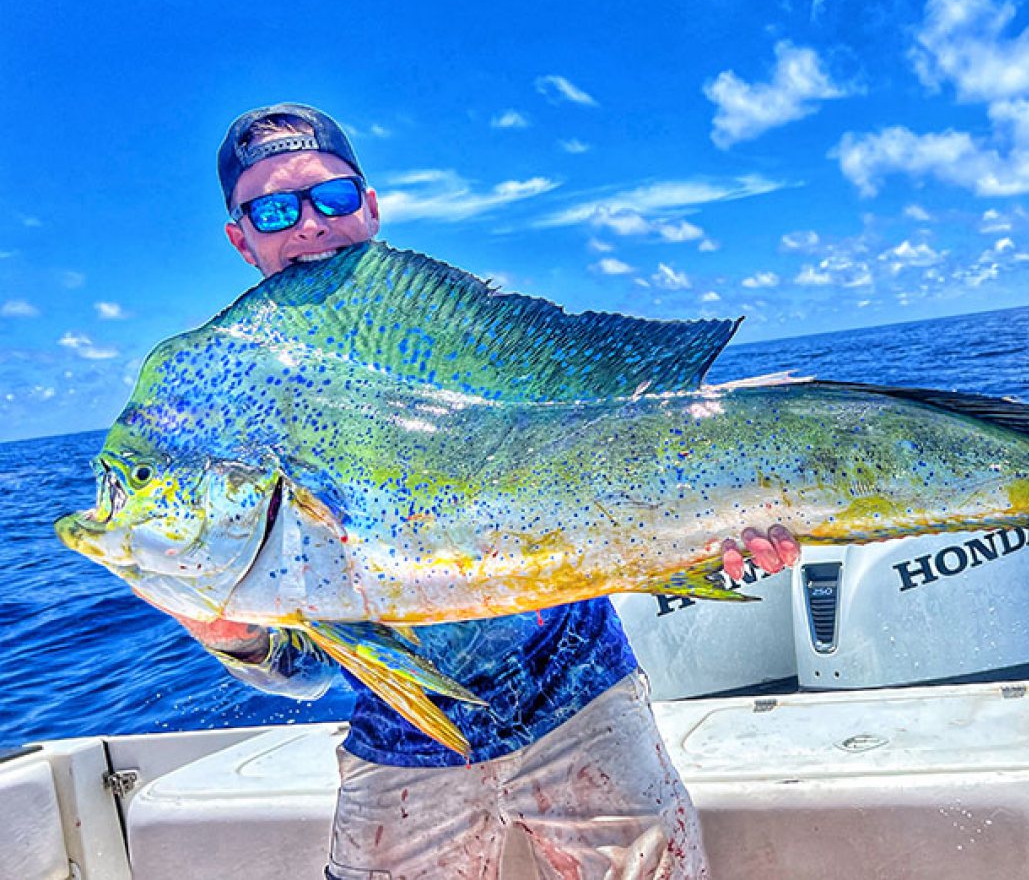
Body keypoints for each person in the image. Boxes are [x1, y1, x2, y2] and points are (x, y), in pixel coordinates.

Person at [176, 102, 800, 880]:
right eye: (273, 209)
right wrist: (231, 631)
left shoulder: (473, 341)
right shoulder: (239, 411)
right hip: (404, 744)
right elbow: (305, 672)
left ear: (369, 204)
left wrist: (713, 536)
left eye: (329, 197)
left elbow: (625, 477)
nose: (308, 225)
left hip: (585, 703)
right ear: (241, 239)